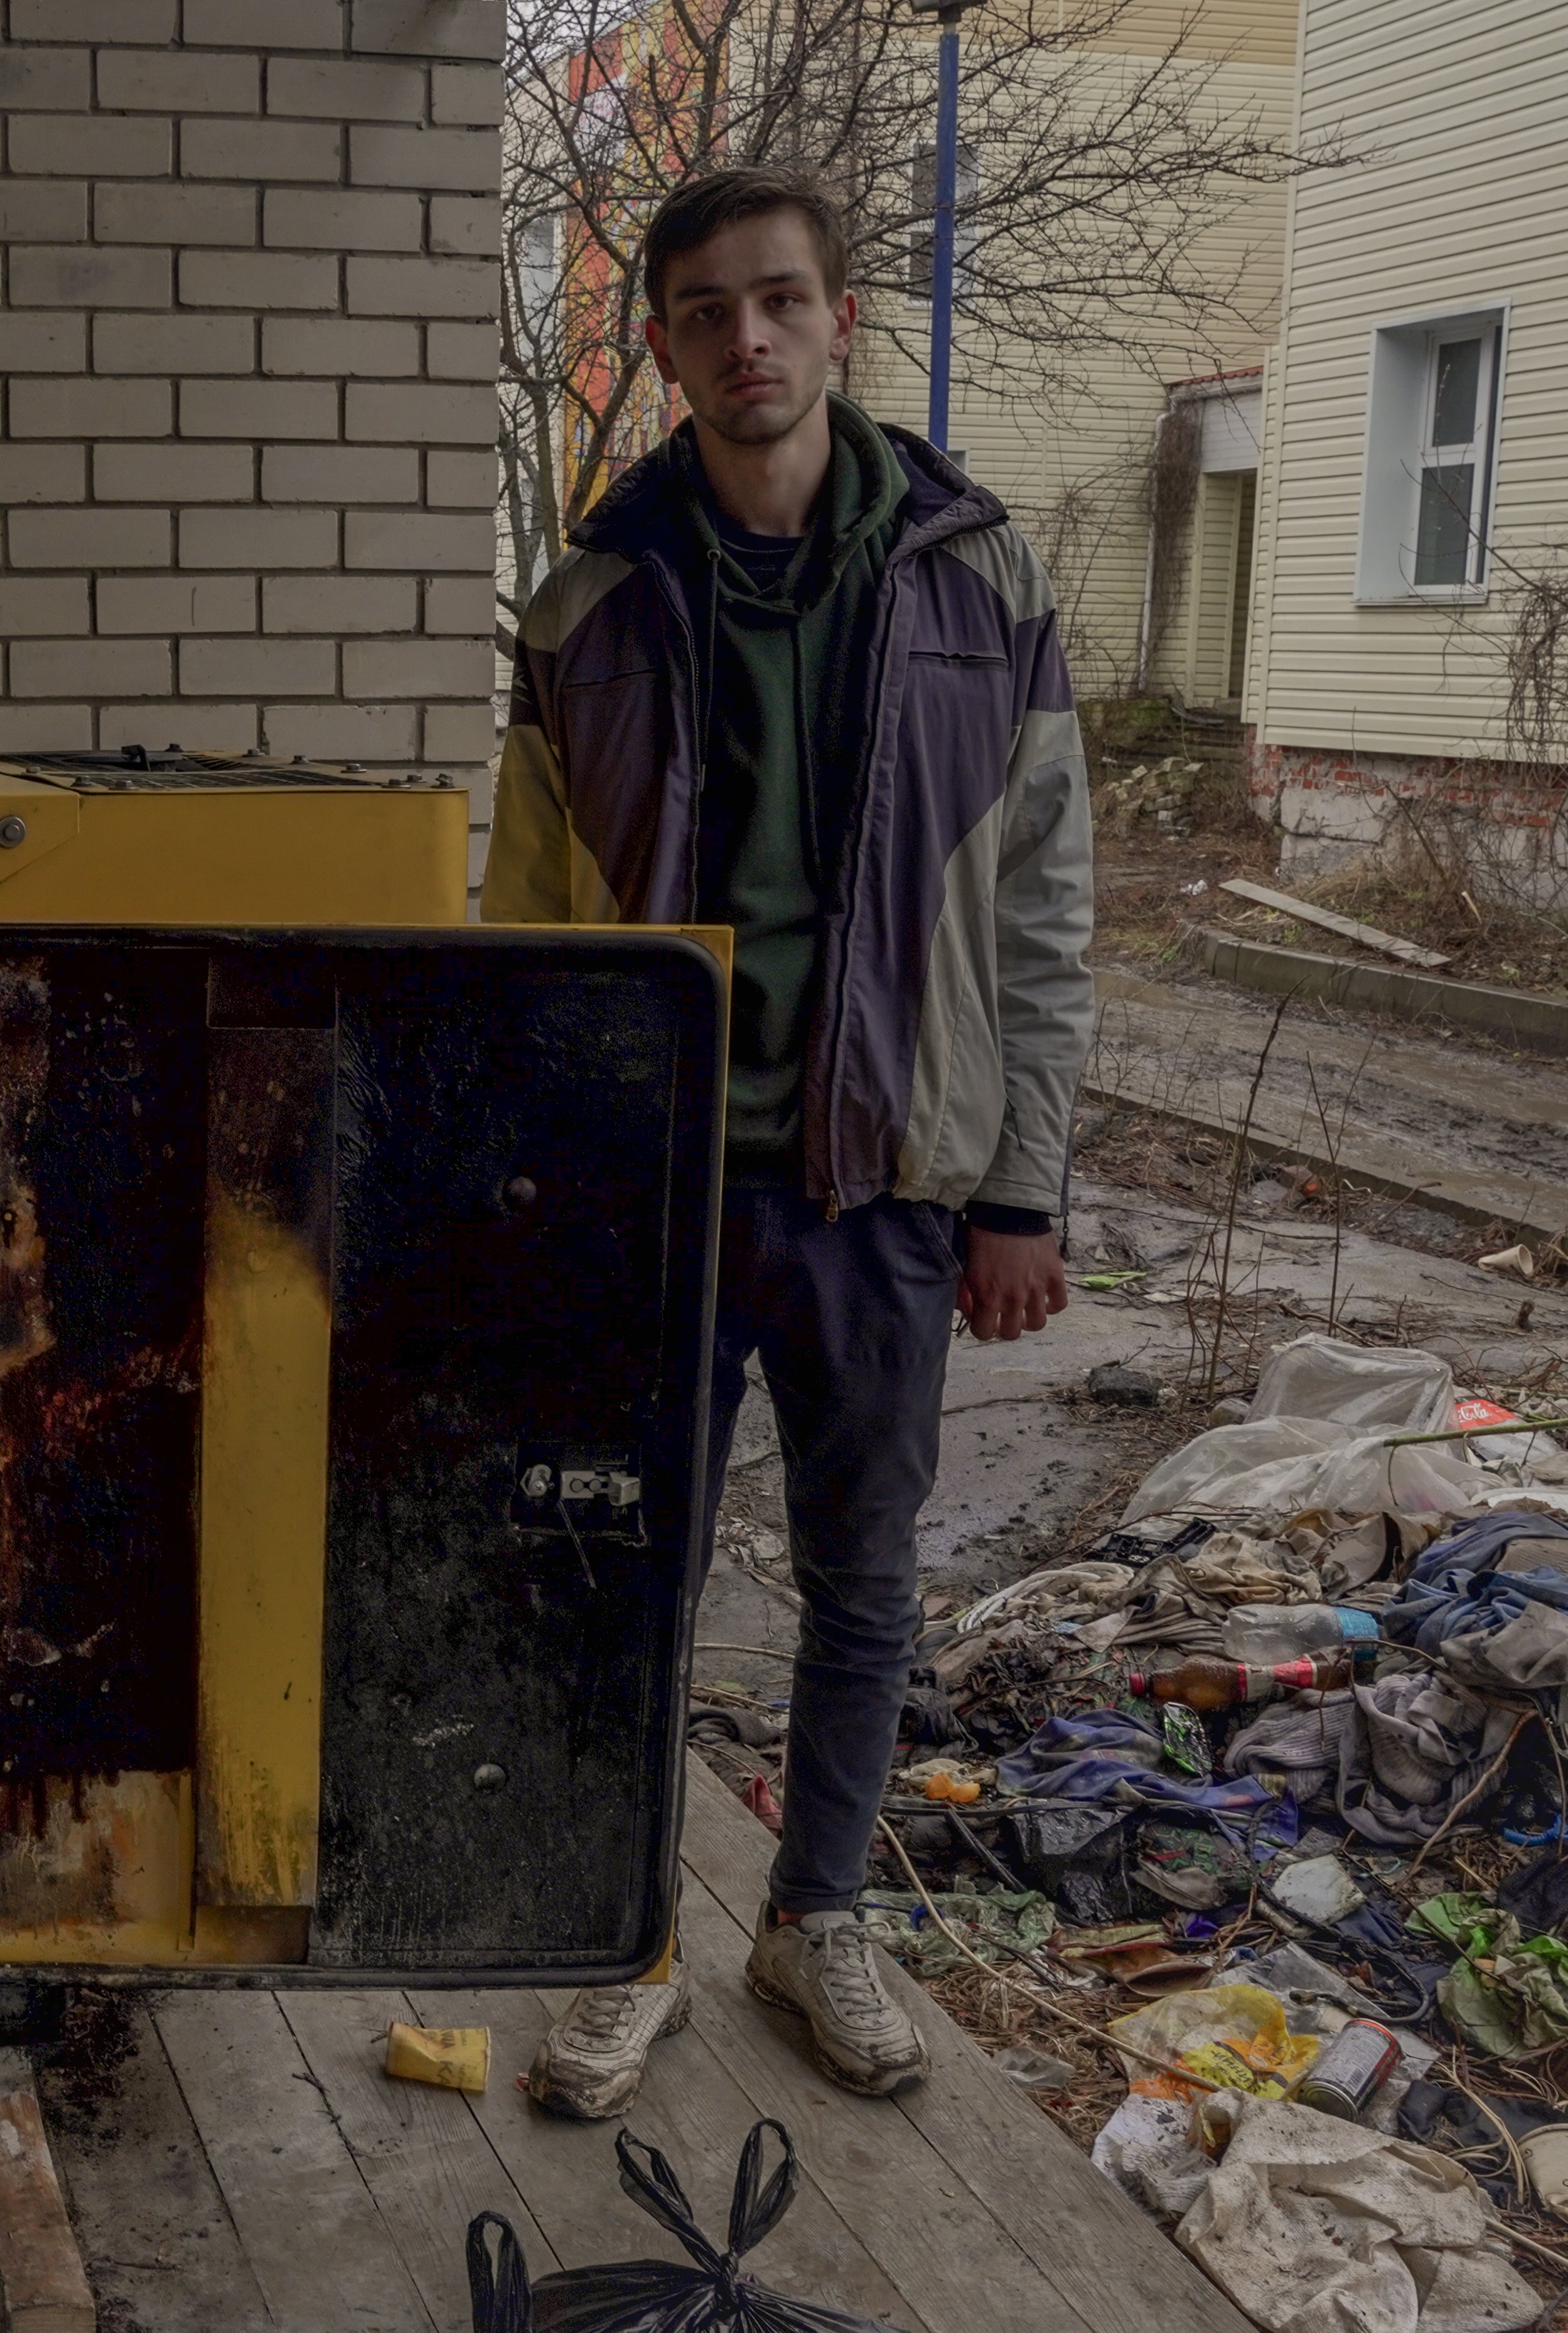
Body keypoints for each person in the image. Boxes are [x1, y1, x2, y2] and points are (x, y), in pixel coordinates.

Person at [484, 167, 1095, 2112]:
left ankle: (812, 1916)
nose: (745, 338)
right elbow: (521, 933)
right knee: (623, 1574)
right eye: (702, 312)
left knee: (866, 1575)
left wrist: (1023, 1190)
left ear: (839, 321)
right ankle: (628, 1934)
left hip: (886, 1189)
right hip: (654, 1199)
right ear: (660, 346)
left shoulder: (980, 585)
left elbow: (1045, 912)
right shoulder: (587, 603)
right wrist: (532, 1199)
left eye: (779, 301)